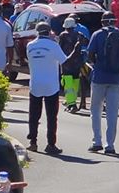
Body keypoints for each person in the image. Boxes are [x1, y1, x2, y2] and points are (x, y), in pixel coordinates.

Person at [26, 22, 80, 155]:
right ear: (49, 32)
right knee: (51, 117)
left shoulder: (30, 46)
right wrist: (76, 50)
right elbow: (65, 62)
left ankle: (33, 142)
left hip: (35, 85)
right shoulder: (53, 45)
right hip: (51, 86)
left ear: (37, 32)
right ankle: (51, 144)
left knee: (34, 115)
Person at [86, 12, 119, 154]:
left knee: (96, 110)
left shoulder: (97, 35)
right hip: (116, 78)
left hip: (99, 77)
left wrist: (98, 64)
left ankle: (97, 141)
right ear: (115, 21)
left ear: (103, 22)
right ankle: (110, 145)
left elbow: (90, 54)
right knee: (112, 113)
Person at [59, 17, 88, 113]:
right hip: (77, 63)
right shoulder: (79, 35)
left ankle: (71, 103)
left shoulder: (63, 35)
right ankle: (72, 101)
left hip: (66, 63)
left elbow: (59, 48)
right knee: (75, 82)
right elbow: (87, 42)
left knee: (68, 84)